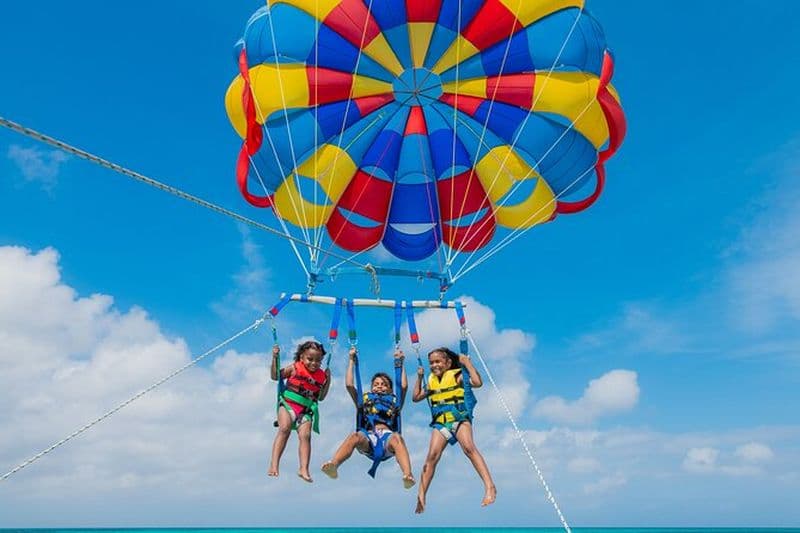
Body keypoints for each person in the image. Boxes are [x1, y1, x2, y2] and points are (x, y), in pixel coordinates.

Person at [413, 347, 496, 513]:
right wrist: (420, 377)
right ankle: (421, 496)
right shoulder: (431, 381)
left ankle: (490, 487)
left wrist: (467, 364)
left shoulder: (457, 376)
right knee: (432, 456)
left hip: (459, 418)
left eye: (438, 361)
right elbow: (416, 397)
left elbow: (477, 383)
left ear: (448, 363)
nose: (434, 365)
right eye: (431, 363)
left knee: (468, 448)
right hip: (441, 423)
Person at [320, 346, 415, 489]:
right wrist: (351, 360)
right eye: (376, 384)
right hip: (368, 438)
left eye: (384, 384)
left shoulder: (395, 402)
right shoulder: (364, 401)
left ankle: (408, 475)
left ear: (390, 389)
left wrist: (400, 363)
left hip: (387, 439)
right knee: (355, 436)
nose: (379, 386)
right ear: (371, 387)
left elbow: (403, 386)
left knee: (398, 438)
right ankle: (334, 465)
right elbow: (349, 385)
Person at [268, 340, 331, 482]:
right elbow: (275, 376)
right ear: (301, 357)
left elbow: (321, 397)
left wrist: (328, 380)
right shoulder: (294, 368)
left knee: (306, 436)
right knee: (284, 428)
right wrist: (275, 358)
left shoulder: (321, 375)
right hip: (288, 405)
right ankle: (274, 465)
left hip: (306, 411)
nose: (314, 363)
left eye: (318, 361)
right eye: (310, 359)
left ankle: (303, 469)